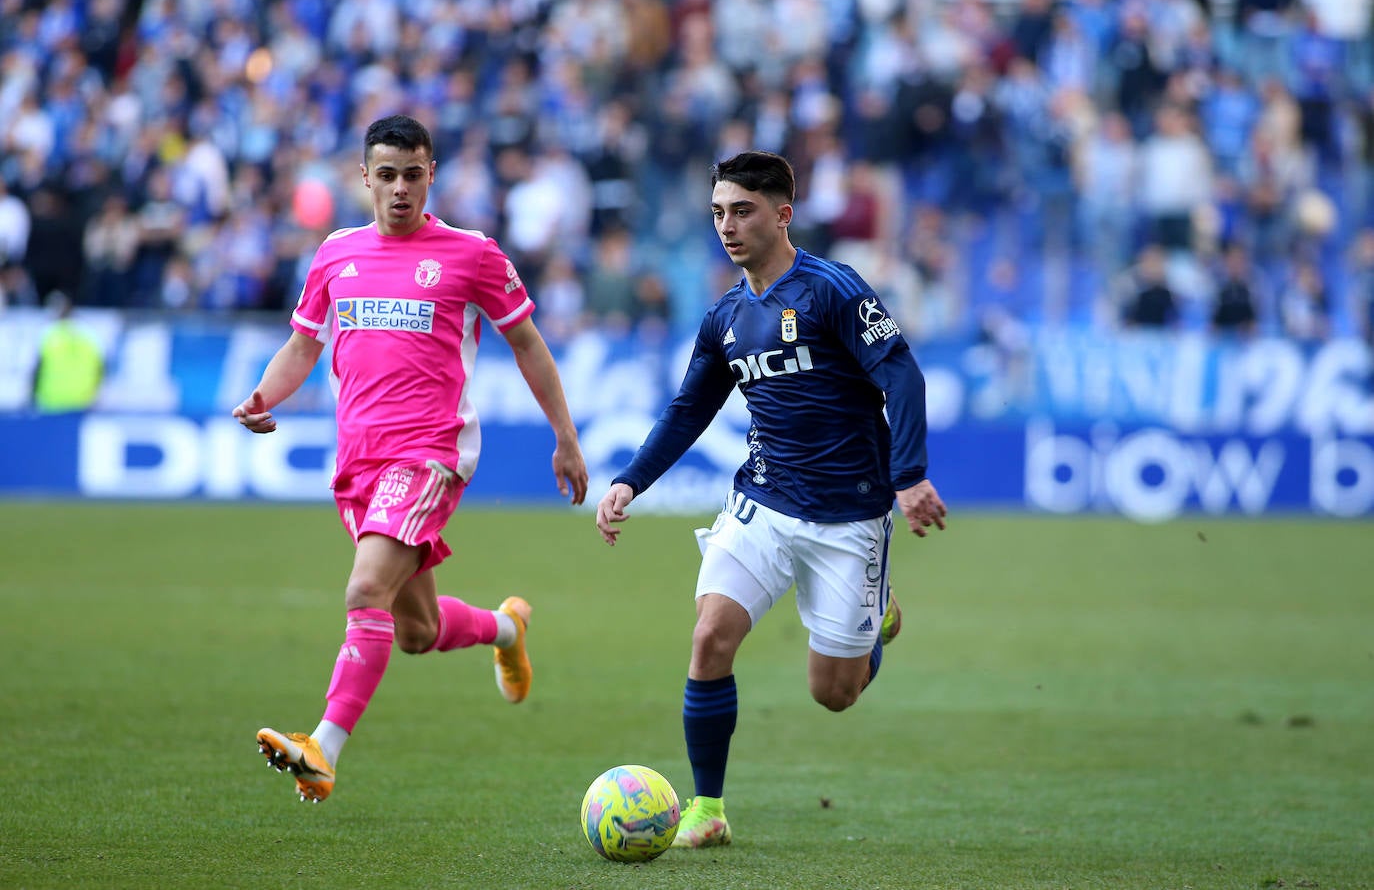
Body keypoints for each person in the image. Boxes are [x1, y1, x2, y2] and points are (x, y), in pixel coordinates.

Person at [594, 151, 946, 848]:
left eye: (743, 210)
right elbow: (688, 408)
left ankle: (877, 618)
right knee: (709, 635)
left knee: (833, 693)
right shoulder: (726, 314)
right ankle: (707, 805)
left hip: (850, 512)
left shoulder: (832, 290)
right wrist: (631, 478)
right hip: (762, 500)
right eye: (719, 211)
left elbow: (901, 376)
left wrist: (909, 476)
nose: (728, 225)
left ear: (783, 214)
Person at [234, 115, 588, 803]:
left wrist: (565, 436)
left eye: (414, 174)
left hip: (429, 453)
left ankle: (322, 748)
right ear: (365, 177)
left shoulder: (472, 253)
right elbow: (304, 346)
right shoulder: (336, 252)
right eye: (387, 174)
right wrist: (262, 394)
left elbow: (529, 345)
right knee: (416, 631)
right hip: (358, 461)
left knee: (365, 590)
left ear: (433, 174)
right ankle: (506, 627)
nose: (401, 188)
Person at [31, 292, 104, 412]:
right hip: (82, 401)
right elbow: (100, 369)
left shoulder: (49, 334)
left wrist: (32, 397)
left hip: (51, 401)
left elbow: (37, 369)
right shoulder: (89, 334)